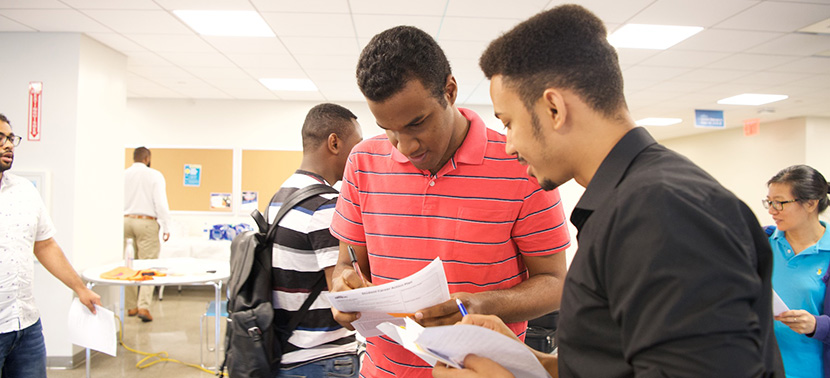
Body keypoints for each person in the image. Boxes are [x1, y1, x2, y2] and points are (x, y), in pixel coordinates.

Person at [436, 4, 784, 377]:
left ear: (553, 108)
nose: (508, 145)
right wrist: (526, 363)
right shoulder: (628, 203)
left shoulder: (662, 210)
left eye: (509, 123)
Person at [328, 26, 571, 377]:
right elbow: (346, 264)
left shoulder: (521, 162)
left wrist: (480, 304)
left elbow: (555, 282)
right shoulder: (362, 162)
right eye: (388, 129)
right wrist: (344, 287)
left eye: (416, 123)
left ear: (449, 91)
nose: (405, 146)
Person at [0, 113, 102, 378]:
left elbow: (45, 245)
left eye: (11, 138)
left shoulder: (24, 190)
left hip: (25, 326)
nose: (9, 144)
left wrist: (80, 288)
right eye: (1, 138)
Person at [267, 103, 363, 377]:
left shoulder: (280, 197)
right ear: (334, 142)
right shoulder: (326, 206)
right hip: (323, 358)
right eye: (357, 145)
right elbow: (344, 299)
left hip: (286, 352)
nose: (360, 155)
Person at [766, 165, 830, 378]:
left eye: (780, 203)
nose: (772, 210)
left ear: (811, 203)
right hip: (762, 367)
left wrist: (816, 325)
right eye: (769, 202)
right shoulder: (762, 242)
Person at [123, 146, 171, 322]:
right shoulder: (154, 175)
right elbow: (160, 203)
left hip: (125, 221)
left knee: (128, 265)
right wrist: (166, 226)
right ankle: (143, 306)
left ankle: (130, 306)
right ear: (147, 158)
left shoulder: (123, 174)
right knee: (148, 265)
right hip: (146, 222)